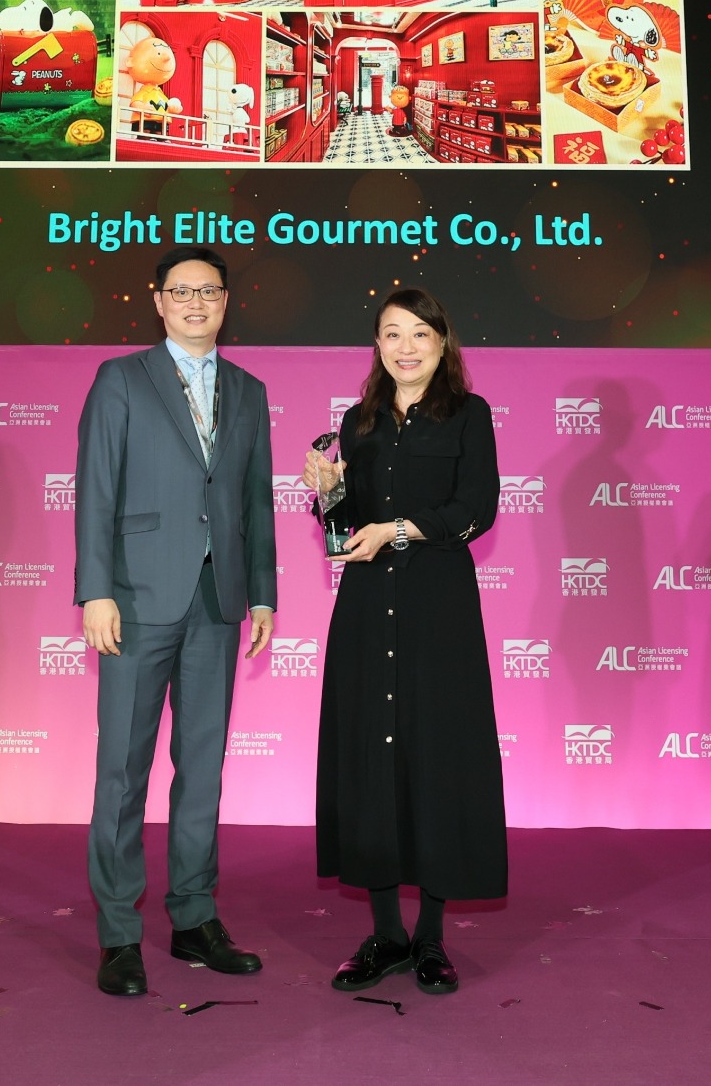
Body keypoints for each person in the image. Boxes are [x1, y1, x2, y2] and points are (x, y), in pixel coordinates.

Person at [76, 247, 277, 997]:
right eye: (181, 291)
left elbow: (255, 499)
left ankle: (194, 917)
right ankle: (118, 934)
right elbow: (96, 489)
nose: (196, 302)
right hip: (134, 598)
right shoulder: (121, 378)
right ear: (158, 301)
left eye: (209, 291)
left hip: (217, 601)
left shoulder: (250, 390)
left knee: (202, 767)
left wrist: (262, 593)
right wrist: (95, 590)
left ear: (226, 301)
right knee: (123, 771)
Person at [301, 288, 506, 997]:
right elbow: (344, 532)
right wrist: (328, 491)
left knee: (436, 755)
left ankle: (430, 938)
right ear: (377, 345)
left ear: (442, 342)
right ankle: (386, 932)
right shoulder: (356, 422)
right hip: (366, 607)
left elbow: (476, 507)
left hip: (437, 606)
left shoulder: (469, 414)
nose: (406, 347)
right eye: (392, 333)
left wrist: (400, 529)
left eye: (420, 333)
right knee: (372, 758)